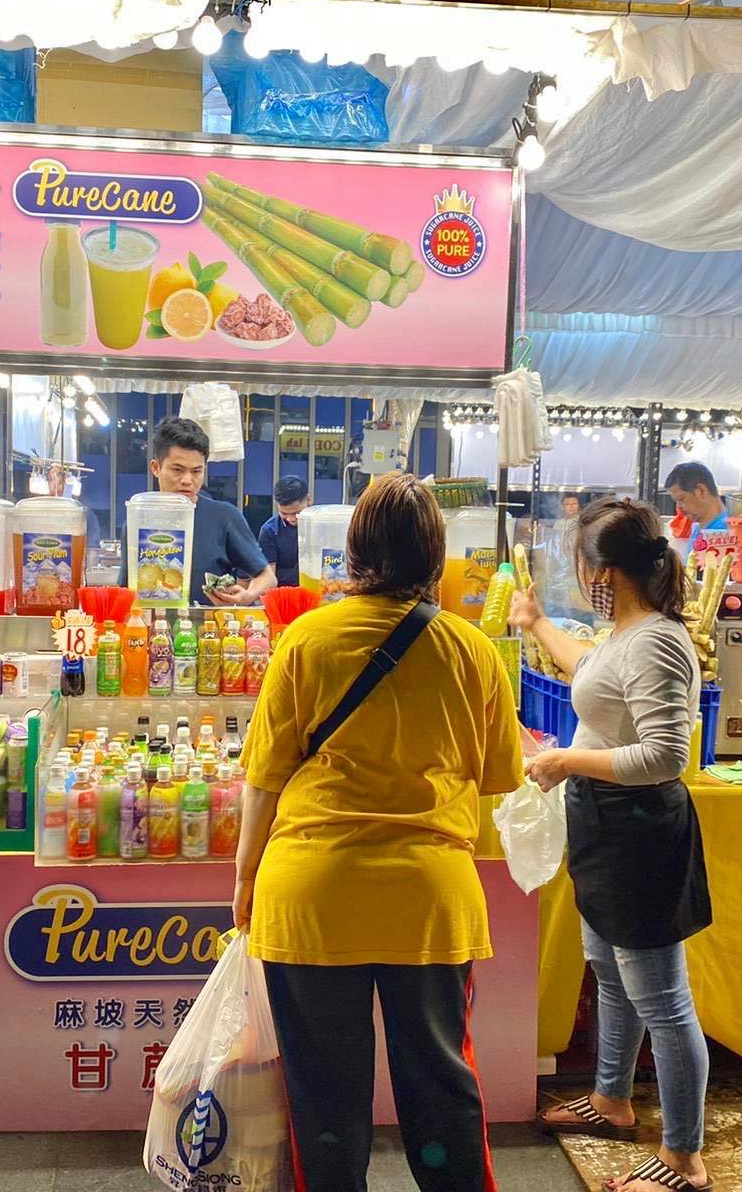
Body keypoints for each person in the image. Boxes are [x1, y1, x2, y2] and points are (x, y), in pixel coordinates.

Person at [232, 473, 523, 1192]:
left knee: (324, 1097)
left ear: (354, 551)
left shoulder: (306, 639)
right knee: (441, 1088)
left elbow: (263, 780)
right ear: (435, 555)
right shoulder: (472, 651)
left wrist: (242, 886)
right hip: (427, 901)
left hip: (312, 898)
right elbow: (493, 778)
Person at [512, 498, 712, 1192]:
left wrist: (566, 761)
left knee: (662, 998)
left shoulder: (656, 640)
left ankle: (685, 1157)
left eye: (581, 564)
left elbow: (665, 757)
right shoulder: (625, 635)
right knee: (609, 971)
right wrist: (537, 623)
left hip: (639, 830)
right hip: (606, 823)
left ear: (604, 570)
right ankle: (610, 1100)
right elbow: (591, 677)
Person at [124, 418, 277, 607]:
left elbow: (267, 576)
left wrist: (247, 596)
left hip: (208, 631)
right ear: (156, 468)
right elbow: (124, 590)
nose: (187, 480)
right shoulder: (139, 519)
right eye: (177, 470)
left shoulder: (224, 517)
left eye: (196, 471)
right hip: (148, 629)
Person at [256, 475, 308, 587]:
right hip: (284, 594)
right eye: (284, 513)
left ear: (309, 500)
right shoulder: (270, 531)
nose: (291, 519)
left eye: (296, 513)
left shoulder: (320, 526)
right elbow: (268, 576)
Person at [663, 462, 729, 546]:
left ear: (701, 491)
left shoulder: (724, 534)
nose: (678, 508)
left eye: (681, 499)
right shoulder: (698, 528)